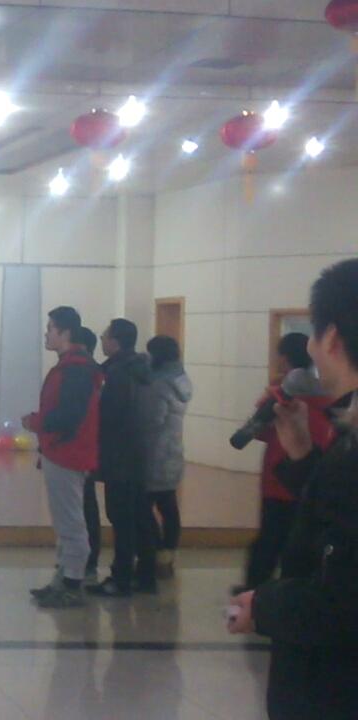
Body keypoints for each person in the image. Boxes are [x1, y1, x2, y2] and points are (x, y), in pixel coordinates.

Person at [228, 258, 358, 719]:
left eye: (314, 333)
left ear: (332, 339)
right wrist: (302, 451)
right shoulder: (348, 433)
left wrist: (262, 605)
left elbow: (342, 599)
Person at [238, 333, 333, 593]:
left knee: (269, 540)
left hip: (278, 477)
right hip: (312, 475)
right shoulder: (329, 393)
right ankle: (294, 590)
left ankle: (255, 593)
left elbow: (256, 431)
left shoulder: (278, 395)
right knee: (303, 541)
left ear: (284, 358)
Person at [23, 307, 103, 609]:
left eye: (51, 328)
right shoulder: (70, 366)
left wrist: (37, 422)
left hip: (68, 452)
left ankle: (72, 584)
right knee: (64, 520)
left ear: (65, 332)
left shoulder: (77, 369)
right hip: (60, 451)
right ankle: (63, 578)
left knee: (71, 521)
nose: (46, 334)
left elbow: (70, 416)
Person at [87, 318, 156, 598]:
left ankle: (121, 577)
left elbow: (109, 416)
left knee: (122, 518)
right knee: (140, 517)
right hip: (138, 453)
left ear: (115, 341)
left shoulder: (118, 374)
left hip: (119, 456)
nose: (101, 339)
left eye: (105, 336)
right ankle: (146, 575)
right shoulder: (140, 369)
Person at [139, 335, 192, 579]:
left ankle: (154, 553)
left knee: (142, 507)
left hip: (153, 453)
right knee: (168, 505)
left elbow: (152, 420)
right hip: (173, 451)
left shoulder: (159, 384)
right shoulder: (181, 380)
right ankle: (167, 557)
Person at [72, 326, 104, 582]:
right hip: (80, 450)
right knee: (79, 507)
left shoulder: (87, 373)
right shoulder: (87, 371)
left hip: (82, 451)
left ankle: (85, 562)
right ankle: (78, 561)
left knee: (84, 508)